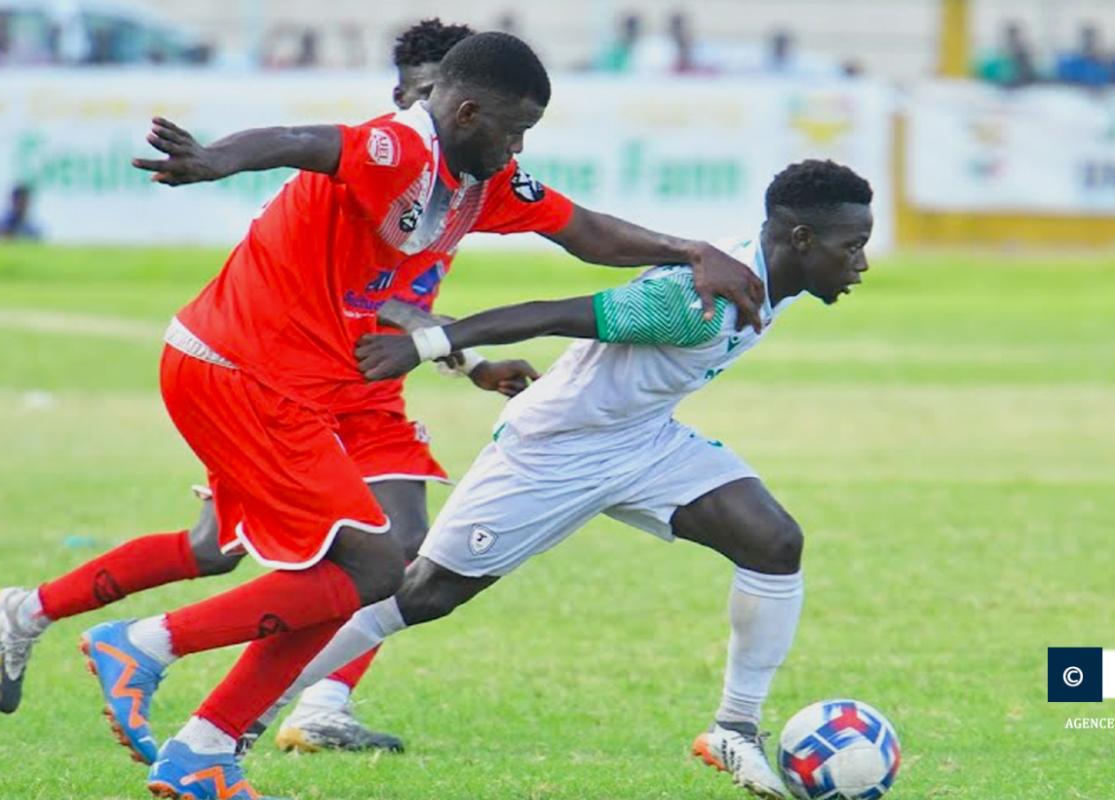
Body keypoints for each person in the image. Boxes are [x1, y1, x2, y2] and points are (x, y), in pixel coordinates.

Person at [0, 30, 765, 799]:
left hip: (313, 382)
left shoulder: (482, 177)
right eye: (516, 127)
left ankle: (204, 748)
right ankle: (143, 645)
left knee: (363, 562)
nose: (521, 145)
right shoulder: (397, 148)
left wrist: (692, 249)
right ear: (464, 111)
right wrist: (213, 161)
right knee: (352, 564)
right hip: (244, 370)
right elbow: (301, 141)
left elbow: (581, 230)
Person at [0, 19, 527, 758]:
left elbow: (401, 298)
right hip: (278, 376)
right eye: (425, 91)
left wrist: (466, 358)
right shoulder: (379, 157)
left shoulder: (461, 180)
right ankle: (40, 613)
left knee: (392, 550)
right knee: (219, 551)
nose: (434, 104)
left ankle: (307, 707)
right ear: (409, 94)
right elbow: (355, 271)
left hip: (360, 391)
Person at [259, 159, 874, 799]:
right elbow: (549, 312)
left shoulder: (768, 284)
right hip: (553, 450)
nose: (860, 264)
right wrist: (424, 348)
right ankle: (254, 708)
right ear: (801, 240)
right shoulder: (695, 300)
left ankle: (734, 729)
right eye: (852, 248)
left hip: (642, 440)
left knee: (773, 542)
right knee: (422, 596)